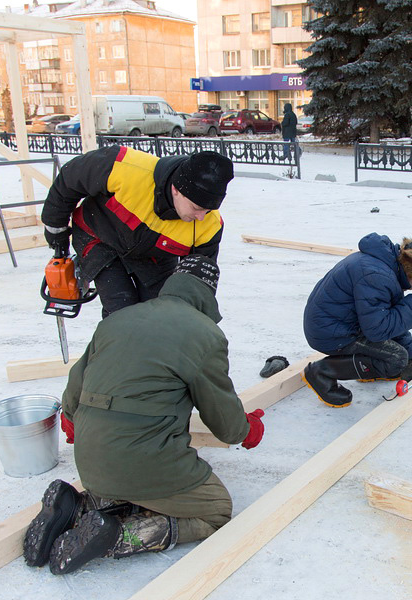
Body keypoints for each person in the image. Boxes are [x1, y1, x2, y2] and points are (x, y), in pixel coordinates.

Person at [22, 255, 266, 575]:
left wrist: (73, 421)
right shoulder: (204, 334)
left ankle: (83, 506)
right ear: (208, 294)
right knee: (216, 511)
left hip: (90, 457)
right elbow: (225, 423)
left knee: (129, 467)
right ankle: (116, 537)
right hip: (142, 461)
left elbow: (73, 392)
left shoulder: (118, 320)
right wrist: (248, 428)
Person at [42, 147, 235, 317]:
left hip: (155, 253)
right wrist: (56, 231)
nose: (201, 217)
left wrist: (190, 320)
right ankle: (116, 349)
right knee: (121, 308)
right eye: (196, 207)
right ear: (176, 189)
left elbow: (198, 282)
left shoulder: (209, 226)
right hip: (99, 235)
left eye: (207, 210)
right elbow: (69, 180)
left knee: (161, 311)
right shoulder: (124, 167)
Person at [301, 234, 412, 407]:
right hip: (330, 333)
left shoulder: (388, 266)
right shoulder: (377, 276)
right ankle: (321, 372)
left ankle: (370, 369)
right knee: (396, 358)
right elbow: (378, 330)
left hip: (339, 324)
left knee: (399, 360)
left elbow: (388, 319)